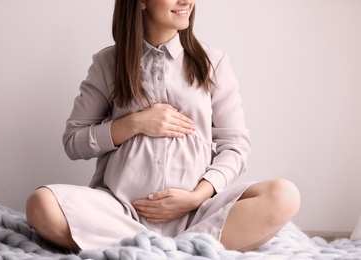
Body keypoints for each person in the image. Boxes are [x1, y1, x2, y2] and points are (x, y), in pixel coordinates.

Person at [26, 0, 300, 253]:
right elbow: (74, 142)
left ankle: (159, 249)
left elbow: (236, 147)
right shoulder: (108, 63)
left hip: (198, 213)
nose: (186, 1)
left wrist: (195, 197)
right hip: (121, 212)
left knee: (284, 195)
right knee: (41, 204)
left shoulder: (212, 62)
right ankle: (181, 250)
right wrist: (134, 123)